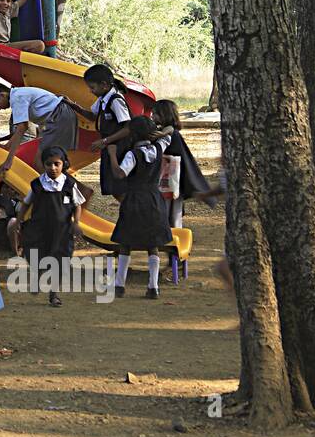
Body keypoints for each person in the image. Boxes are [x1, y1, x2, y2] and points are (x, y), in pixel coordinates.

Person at [107, 116, 173, 299]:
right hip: (154, 199)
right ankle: (153, 287)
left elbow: (120, 174)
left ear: (133, 135)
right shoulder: (159, 147)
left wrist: (112, 154)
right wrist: (160, 133)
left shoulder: (132, 155)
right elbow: (171, 131)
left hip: (135, 199)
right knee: (153, 244)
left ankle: (119, 285)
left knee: (126, 242)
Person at [19, 145, 85, 306]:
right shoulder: (37, 184)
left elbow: (77, 205)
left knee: (59, 261)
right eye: (49, 164)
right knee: (35, 255)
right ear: (43, 165)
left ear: (63, 164)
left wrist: (76, 222)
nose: (53, 168)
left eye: (57, 164)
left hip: (61, 231)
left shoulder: (69, 184)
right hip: (39, 229)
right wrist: (18, 221)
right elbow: (26, 204)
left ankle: (53, 294)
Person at [0, 82, 80, 181]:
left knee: (41, 162)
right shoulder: (19, 94)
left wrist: (9, 161)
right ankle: (77, 189)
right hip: (60, 116)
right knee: (47, 161)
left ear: (2, 95)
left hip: (59, 116)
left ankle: (59, 191)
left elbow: (22, 128)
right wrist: (7, 146)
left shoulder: (17, 97)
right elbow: (21, 128)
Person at [66, 63, 133, 201]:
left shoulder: (115, 100)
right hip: (109, 146)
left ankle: (131, 211)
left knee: (119, 186)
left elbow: (128, 127)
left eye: (92, 87)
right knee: (113, 187)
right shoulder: (103, 99)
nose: (91, 91)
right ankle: (129, 210)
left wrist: (104, 141)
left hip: (119, 147)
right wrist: (72, 105)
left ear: (104, 85)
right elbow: (92, 116)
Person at [152, 98, 214, 227]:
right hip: (168, 179)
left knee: (174, 211)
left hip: (174, 179)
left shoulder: (171, 134)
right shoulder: (166, 131)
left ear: (164, 115)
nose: (152, 116)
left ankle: (175, 235)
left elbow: (170, 133)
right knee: (169, 208)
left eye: (155, 113)